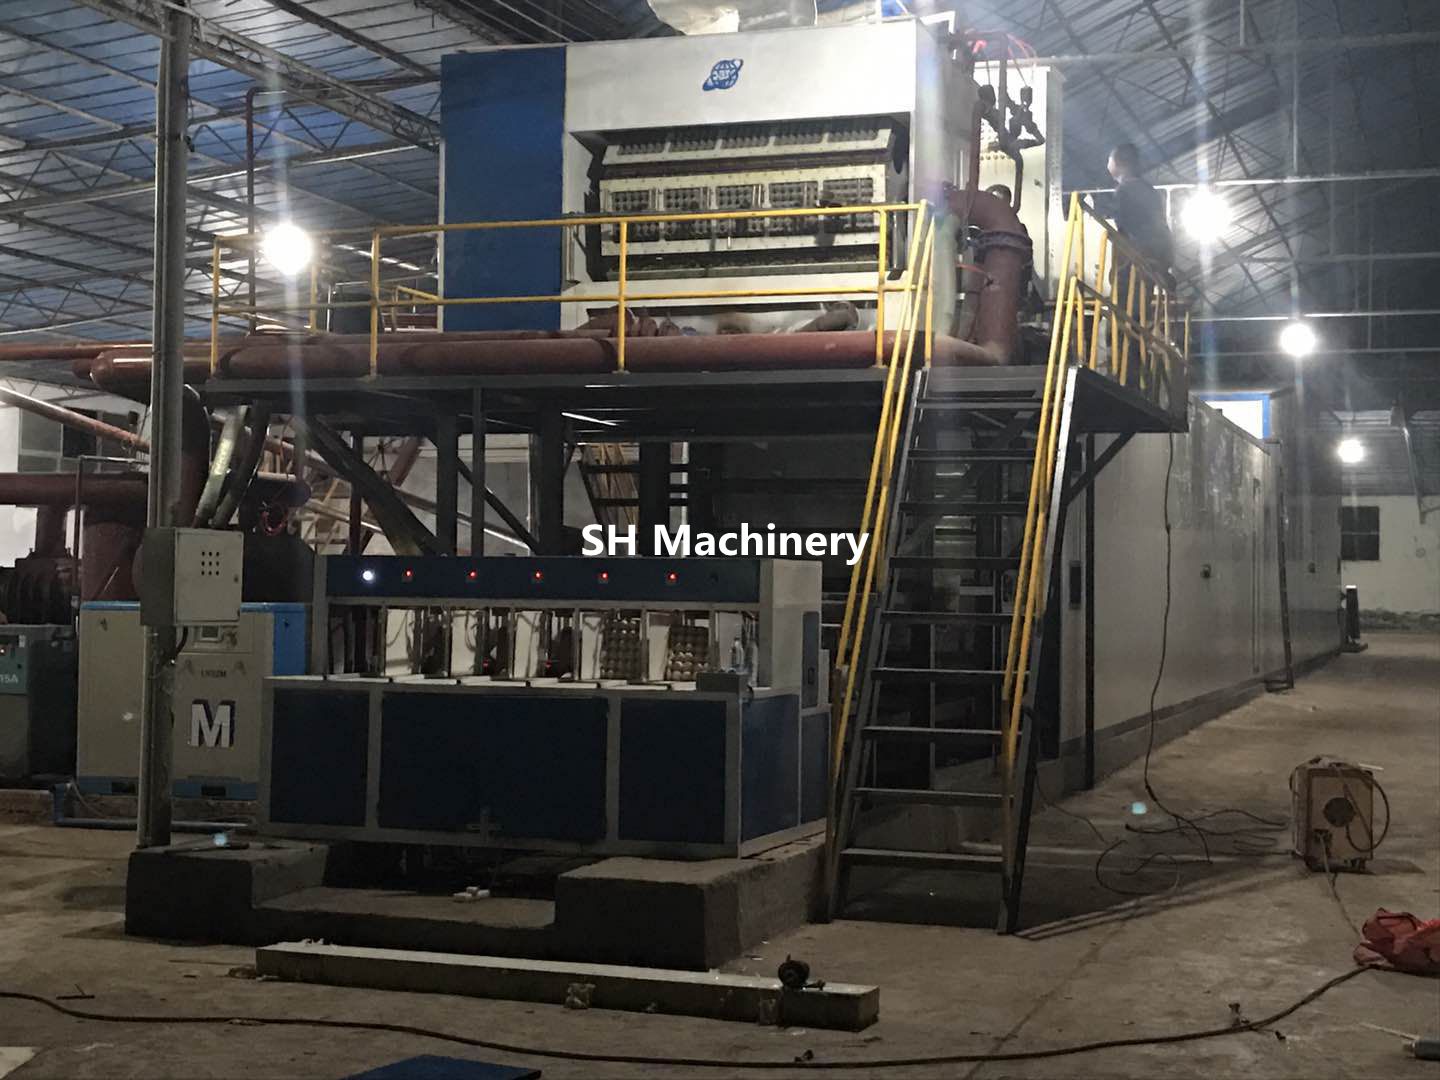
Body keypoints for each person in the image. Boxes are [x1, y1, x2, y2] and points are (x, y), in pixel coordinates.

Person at [1106, 142, 1174, 284]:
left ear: (1119, 163)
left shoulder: (1124, 190)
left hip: (1140, 259)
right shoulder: (1150, 190)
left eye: (1109, 160)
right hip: (1159, 256)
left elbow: (1123, 227)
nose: (1108, 164)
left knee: (1125, 289)